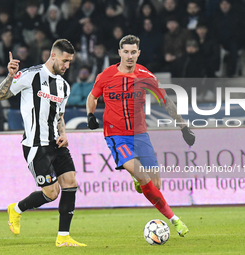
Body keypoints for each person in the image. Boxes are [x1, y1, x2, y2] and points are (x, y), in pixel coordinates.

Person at [86, 35, 195, 237]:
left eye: (133, 52)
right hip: (116, 136)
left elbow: (166, 102)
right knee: (142, 175)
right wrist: (90, 115)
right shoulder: (106, 76)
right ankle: (175, 220)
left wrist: (183, 127)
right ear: (119, 53)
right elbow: (92, 97)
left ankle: (139, 180)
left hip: (140, 135)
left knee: (156, 185)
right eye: (126, 52)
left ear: (139, 53)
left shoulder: (146, 76)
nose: (129, 56)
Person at [0, 39, 86, 247]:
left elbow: (59, 116)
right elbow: (1, 95)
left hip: (57, 143)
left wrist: (63, 134)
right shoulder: (31, 75)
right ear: (53, 55)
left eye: (70, 62)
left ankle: (63, 237)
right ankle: (16, 208)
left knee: (70, 182)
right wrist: (10, 76)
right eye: (65, 61)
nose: (67, 66)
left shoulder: (64, 86)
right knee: (51, 193)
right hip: (36, 146)